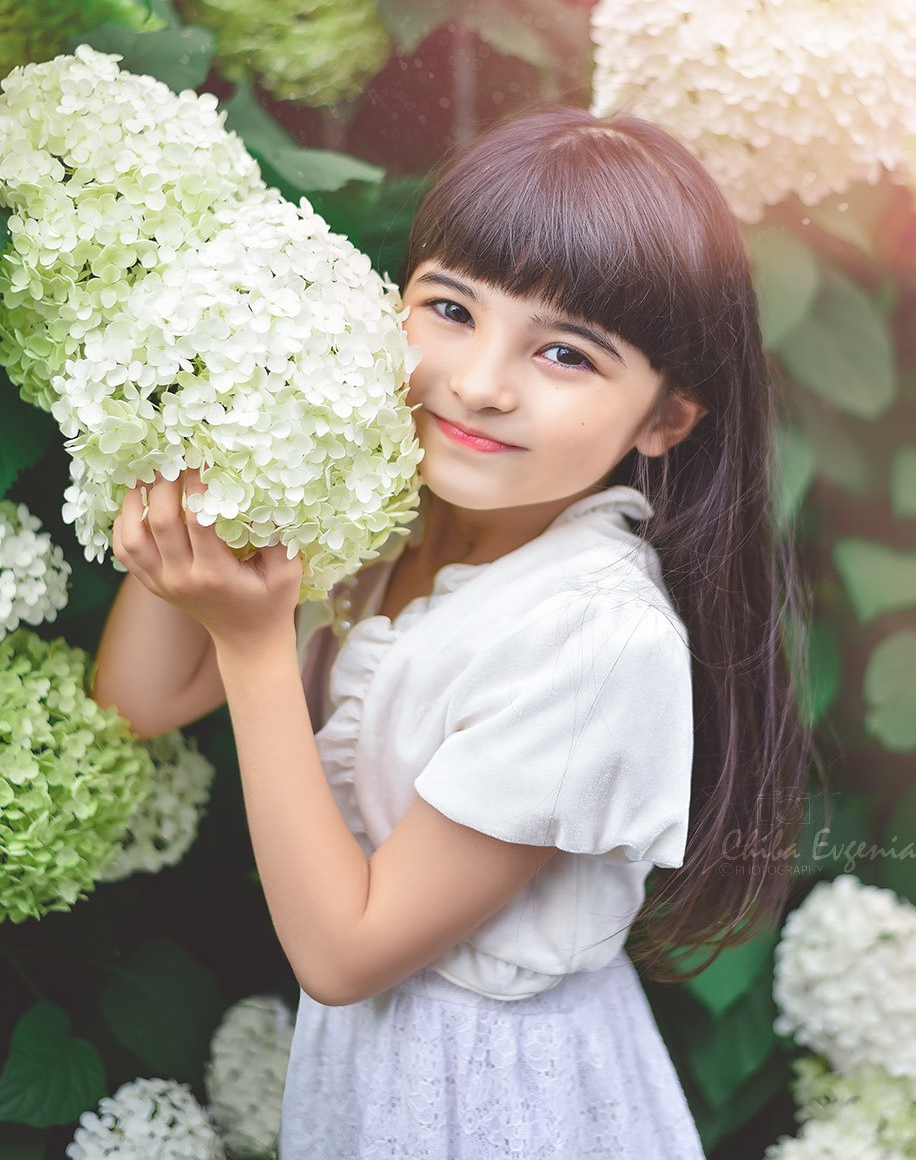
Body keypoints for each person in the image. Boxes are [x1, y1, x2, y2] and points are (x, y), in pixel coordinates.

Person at [92, 107, 815, 1158]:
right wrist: (213, 430)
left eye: (564, 353)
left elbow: (343, 954)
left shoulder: (596, 637)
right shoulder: (381, 512)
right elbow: (138, 699)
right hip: (368, 1075)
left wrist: (252, 645)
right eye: (449, 308)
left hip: (500, 1102)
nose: (480, 382)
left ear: (666, 418)